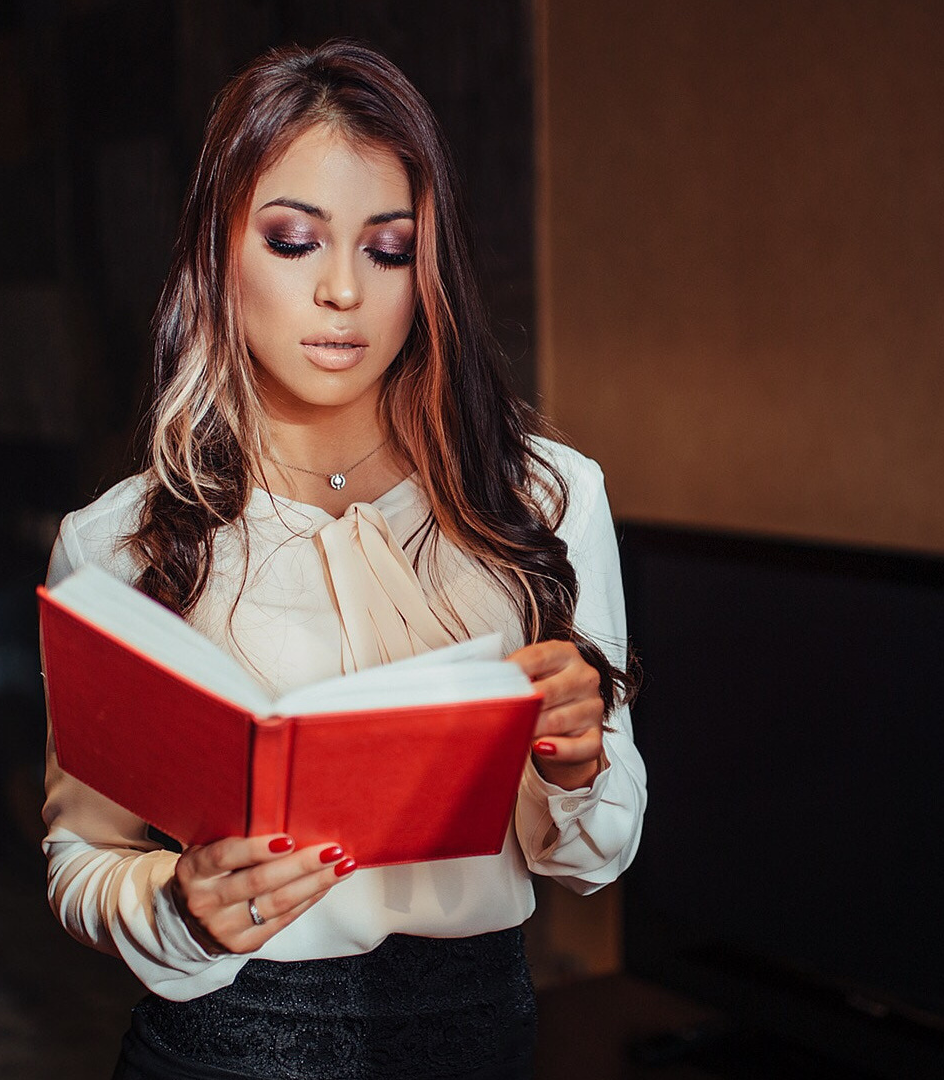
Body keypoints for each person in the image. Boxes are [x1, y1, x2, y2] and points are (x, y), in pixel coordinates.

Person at [39, 41, 646, 1080]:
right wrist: (179, 908)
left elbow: (595, 860)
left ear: (429, 267)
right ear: (218, 254)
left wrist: (582, 760)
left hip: (480, 1036)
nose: (341, 292)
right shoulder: (121, 540)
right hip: (224, 1047)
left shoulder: (543, 500)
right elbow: (78, 859)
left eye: (387, 248)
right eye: (293, 240)